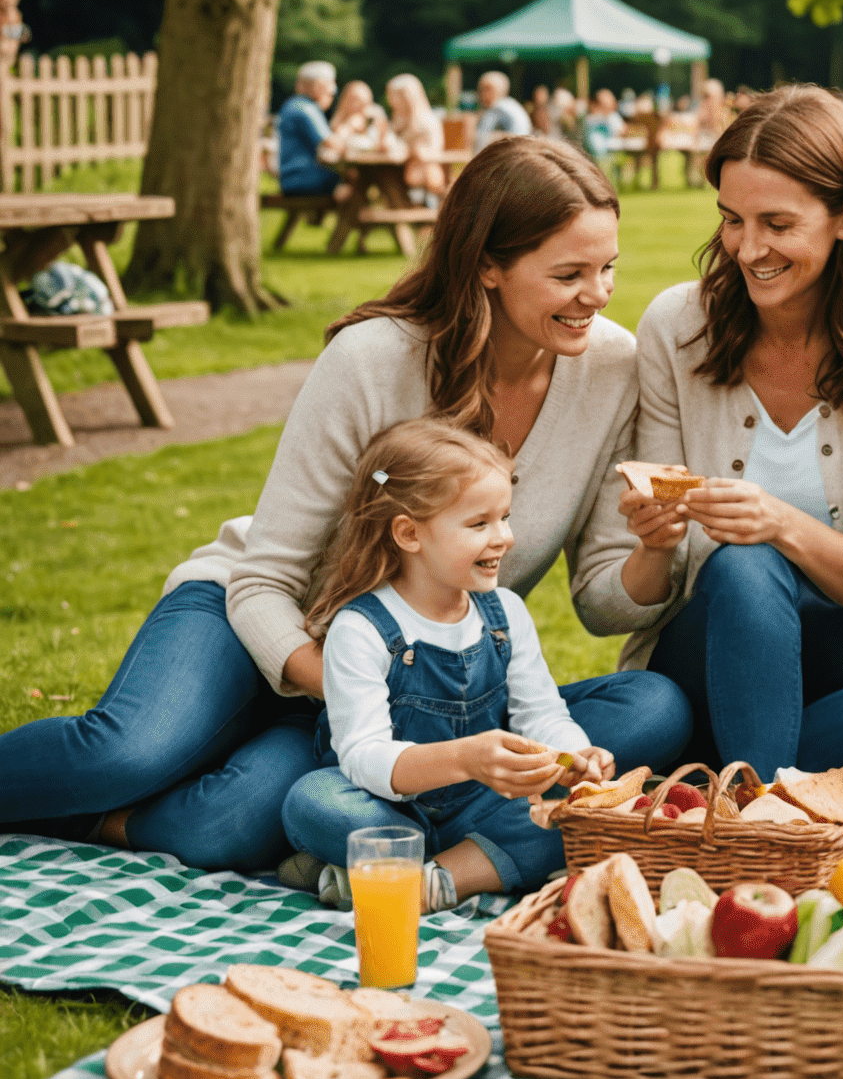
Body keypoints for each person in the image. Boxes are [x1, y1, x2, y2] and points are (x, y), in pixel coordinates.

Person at [0, 139, 692, 871]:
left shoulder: (611, 369)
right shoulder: (373, 359)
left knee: (651, 707)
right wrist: (356, 679)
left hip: (417, 692)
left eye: (606, 267)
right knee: (127, 751)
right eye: (569, 274)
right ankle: (147, 790)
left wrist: (654, 548)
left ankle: (180, 818)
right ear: (488, 265)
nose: (599, 293)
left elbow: (599, 605)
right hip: (260, 619)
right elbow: (265, 578)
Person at [617, 85, 843, 790]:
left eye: (777, 223)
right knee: (743, 565)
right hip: (704, 658)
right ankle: (777, 817)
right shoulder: (677, 328)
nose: (747, 248)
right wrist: (657, 537)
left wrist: (781, 523)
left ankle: (724, 792)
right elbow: (633, 588)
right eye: (732, 220)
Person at [281, 419, 636, 909]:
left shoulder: (504, 612)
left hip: (479, 803)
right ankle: (460, 865)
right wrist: (465, 759)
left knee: (574, 818)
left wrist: (576, 756)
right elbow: (362, 756)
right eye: (479, 524)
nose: (505, 538)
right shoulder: (362, 629)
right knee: (314, 804)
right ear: (409, 534)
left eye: (505, 517)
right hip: (386, 806)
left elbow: (541, 714)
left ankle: (414, 881)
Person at [278, 61, 346, 197]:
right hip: (303, 179)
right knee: (355, 179)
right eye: (330, 93)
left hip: (291, 179)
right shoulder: (306, 108)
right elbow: (333, 144)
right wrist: (349, 127)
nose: (331, 98)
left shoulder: (293, 105)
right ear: (318, 86)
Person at [385, 73, 446, 200]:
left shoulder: (426, 122)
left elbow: (429, 152)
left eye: (394, 95)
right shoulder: (399, 120)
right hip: (403, 170)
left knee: (383, 176)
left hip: (422, 177)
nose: (391, 100)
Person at [687, 77, 729, 190]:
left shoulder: (722, 110)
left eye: (708, 96)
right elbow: (697, 126)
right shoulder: (703, 109)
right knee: (701, 156)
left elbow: (722, 128)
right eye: (705, 96)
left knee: (708, 156)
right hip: (704, 138)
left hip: (715, 138)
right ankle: (700, 179)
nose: (706, 99)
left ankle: (708, 180)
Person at [475, 71, 532, 151]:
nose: (483, 94)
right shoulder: (511, 105)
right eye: (481, 90)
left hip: (511, 154)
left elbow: (482, 140)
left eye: (487, 89)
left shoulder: (497, 108)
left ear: (499, 90)